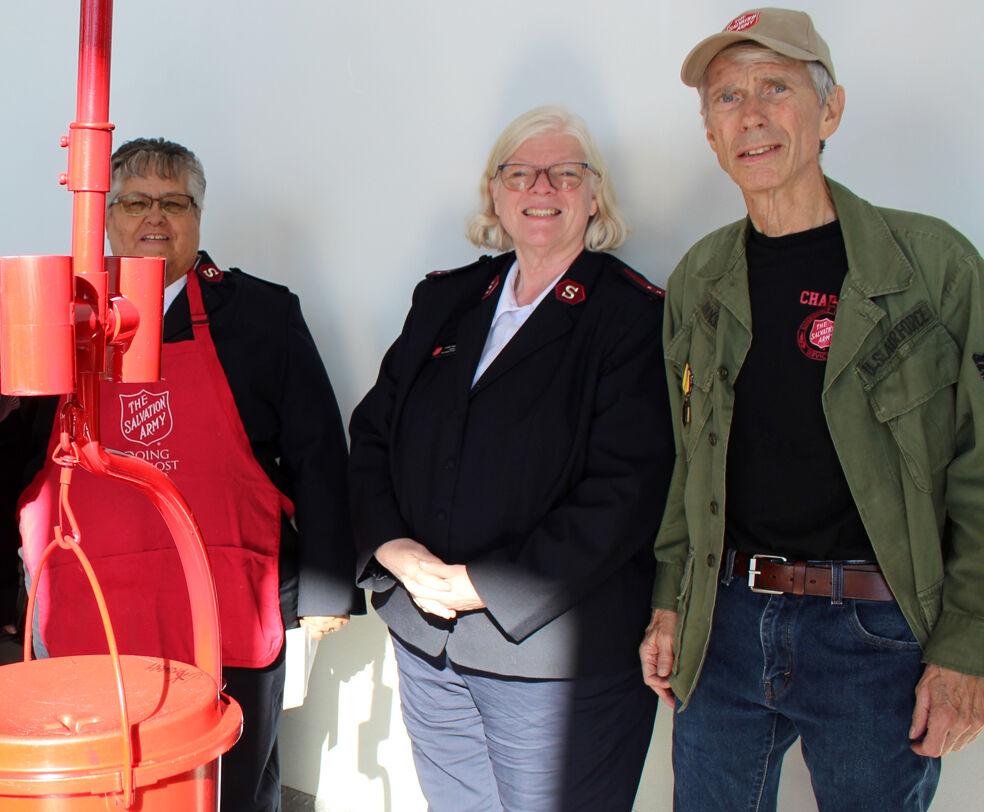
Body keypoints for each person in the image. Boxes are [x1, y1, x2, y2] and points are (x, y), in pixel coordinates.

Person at [639, 8, 984, 810]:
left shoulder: (931, 266)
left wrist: (968, 644)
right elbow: (689, 457)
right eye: (727, 97)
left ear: (829, 110)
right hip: (723, 626)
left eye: (775, 88)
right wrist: (670, 600)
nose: (751, 115)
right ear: (710, 133)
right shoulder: (701, 278)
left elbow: (979, 467)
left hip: (877, 636)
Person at [18, 138, 364, 812]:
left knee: (228, 778)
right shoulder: (58, 317)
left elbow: (319, 450)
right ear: (105, 215)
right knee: (103, 778)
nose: (156, 217)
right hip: (92, 599)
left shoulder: (262, 316)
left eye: (174, 203)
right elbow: (19, 461)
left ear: (199, 217)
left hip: (222, 598)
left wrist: (327, 588)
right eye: (136, 202)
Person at [349, 105, 673, 812]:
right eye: (520, 172)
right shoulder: (447, 299)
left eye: (565, 172)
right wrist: (396, 550)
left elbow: (626, 493)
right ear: (494, 194)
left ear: (595, 196)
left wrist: (482, 585)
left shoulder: (633, 316)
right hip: (428, 642)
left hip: (552, 662)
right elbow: (374, 433)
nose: (542, 187)